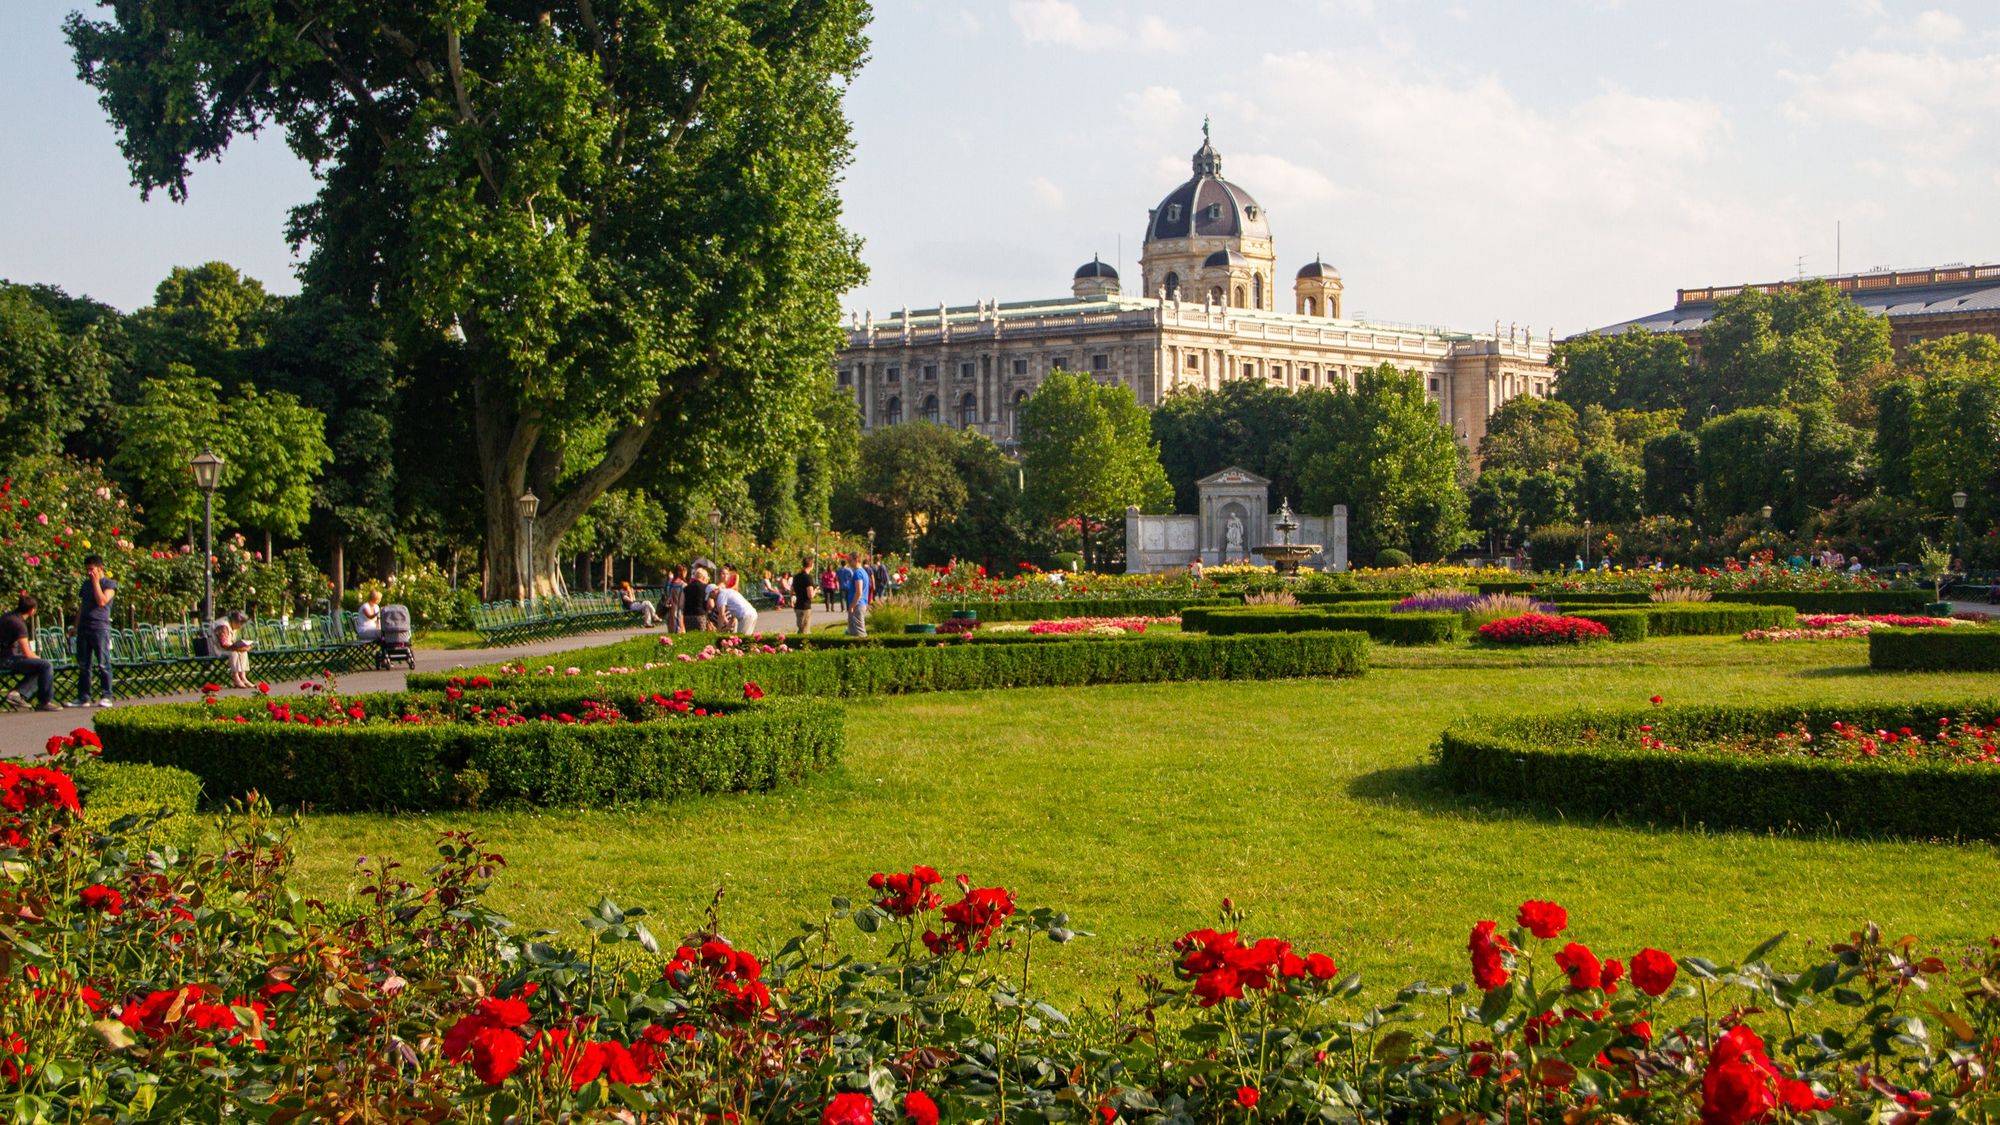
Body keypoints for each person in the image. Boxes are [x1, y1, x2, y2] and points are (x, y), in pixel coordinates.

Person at [0, 595, 63, 712]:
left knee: (40, 668)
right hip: (6, 660)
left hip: (5, 657)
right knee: (46, 665)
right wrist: (38, 658)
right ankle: (45, 701)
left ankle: (17, 693)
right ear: (32, 610)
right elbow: (27, 653)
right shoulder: (18, 624)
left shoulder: (7, 617)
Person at [74, 554, 117, 707]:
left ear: (100, 568)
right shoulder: (85, 585)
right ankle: (83, 697)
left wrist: (95, 583)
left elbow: (102, 601)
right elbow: (82, 606)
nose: (89, 573)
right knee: (84, 665)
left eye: (92, 569)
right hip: (84, 628)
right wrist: (76, 625)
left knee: (103, 663)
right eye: (87, 570)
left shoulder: (109, 584)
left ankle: (107, 695)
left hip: (100, 628)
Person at [212, 610, 254, 689]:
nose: (241, 626)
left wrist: (243, 647)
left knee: (243, 652)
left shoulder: (231, 625)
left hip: (225, 648)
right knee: (234, 653)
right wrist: (237, 648)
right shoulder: (222, 626)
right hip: (215, 649)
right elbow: (223, 644)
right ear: (235, 621)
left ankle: (243, 677)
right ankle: (236, 678)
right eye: (240, 624)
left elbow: (231, 643)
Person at [846, 555, 871, 637]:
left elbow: (859, 592)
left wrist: (852, 606)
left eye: (850, 561)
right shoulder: (863, 572)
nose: (849, 563)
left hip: (857, 604)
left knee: (859, 632)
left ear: (856, 560)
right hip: (860, 603)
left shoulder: (858, 573)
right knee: (853, 631)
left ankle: (863, 648)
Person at [684, 567, 712, 632]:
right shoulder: (706, 588)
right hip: (700, 616)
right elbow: (711, 605)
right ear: (704, 578)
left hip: (687, 616)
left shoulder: (686, 588)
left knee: (690, 637)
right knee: (700, 636)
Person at [792, 558, 816, 633]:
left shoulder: (796, 577)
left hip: (798, 605)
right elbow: (810, 595)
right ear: (811, 565)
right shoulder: (808, 578)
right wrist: (815, 590)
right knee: (805, 631)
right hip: (805, 606)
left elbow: (792, 590)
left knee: (800, 629)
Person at [661, 565, 687, 633]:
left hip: (669, 610)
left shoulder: (669, 583)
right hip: (678, 610)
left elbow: (666, 595)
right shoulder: (682, 585)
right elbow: (682, 600)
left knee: (671, 630)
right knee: (679, 630)